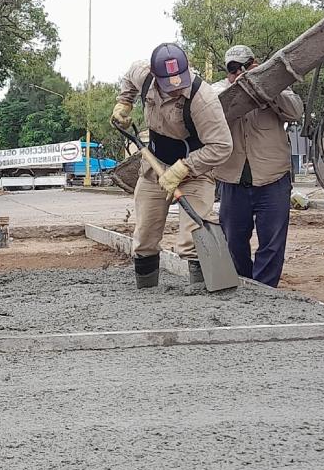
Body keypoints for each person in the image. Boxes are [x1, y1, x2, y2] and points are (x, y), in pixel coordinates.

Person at [111, 43, 233, 288]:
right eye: (169, 85)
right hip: (154, 167)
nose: (176, 89)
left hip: (196, 171)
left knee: (192, 239)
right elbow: (129, 75)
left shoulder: (203, 98)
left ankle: (205, 294)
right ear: (155, 77)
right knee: (144, 237)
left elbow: (222, 146)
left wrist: (183, 169)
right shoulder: (143, 75)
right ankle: (146, 295)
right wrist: (125, 102)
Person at [211, 45, 304, 287]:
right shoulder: (217, 92)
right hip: (233, 181)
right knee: (233, 240)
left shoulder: (278, 88)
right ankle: (244, 285)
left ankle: (265, 291)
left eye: (245, 65)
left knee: (273, 242)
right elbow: (208, 118)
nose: (239, 72)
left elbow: (295, 112)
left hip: (273, 178)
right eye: (233, 68)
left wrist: (266, 88)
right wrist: (238, 90)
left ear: (255, 63)